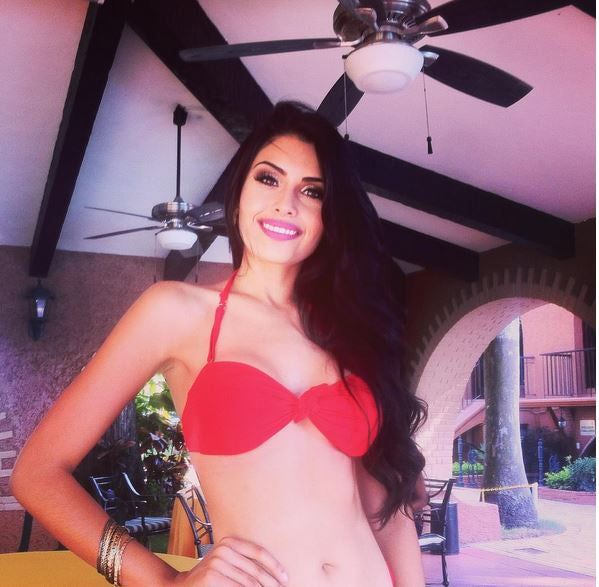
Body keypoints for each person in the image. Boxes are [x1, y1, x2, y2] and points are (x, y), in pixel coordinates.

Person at [11, 101, 427, 586]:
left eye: (312, 191)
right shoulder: (176, 311)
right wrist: (163, 582)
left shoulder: (349, 332)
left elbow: (387, 508)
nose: (286, 203)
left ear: (330, 215)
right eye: (268, 179)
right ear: (238, 193)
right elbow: (36, 475)